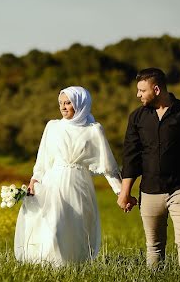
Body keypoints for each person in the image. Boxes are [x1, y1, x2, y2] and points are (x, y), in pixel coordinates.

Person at [117, 68, 180, 267]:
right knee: (154, 248)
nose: (138, 95)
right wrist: (124, 193)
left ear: (156, 89)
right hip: (149, 192)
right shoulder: (137, 118)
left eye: (142, 91)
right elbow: (131, 158)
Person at [14, 86, 123, 266]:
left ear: (81, 104)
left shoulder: (94, 130)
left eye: (68, 103)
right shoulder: (53, 126)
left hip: (78, 183)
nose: (63, 107)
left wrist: (121, 192)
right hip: (52, 182)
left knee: (75, 226)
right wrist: (34, 180)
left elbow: (107, 166)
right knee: (52, 222)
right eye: (61, 103)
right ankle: (50, 264)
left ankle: (73, 264)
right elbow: (43, 158)